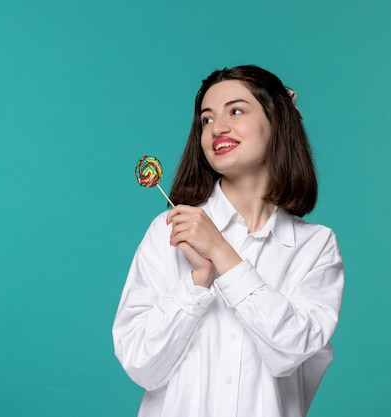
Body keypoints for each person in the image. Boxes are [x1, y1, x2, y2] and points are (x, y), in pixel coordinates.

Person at [112, 65, 344, 417]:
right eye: (206, 119)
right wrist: (196, 282)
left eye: (236, 111)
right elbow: (139, 363)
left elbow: (291, 351)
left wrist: (221, 252)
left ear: (278, 122)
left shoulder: (315, 246)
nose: (217, 128)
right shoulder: (169, 231)